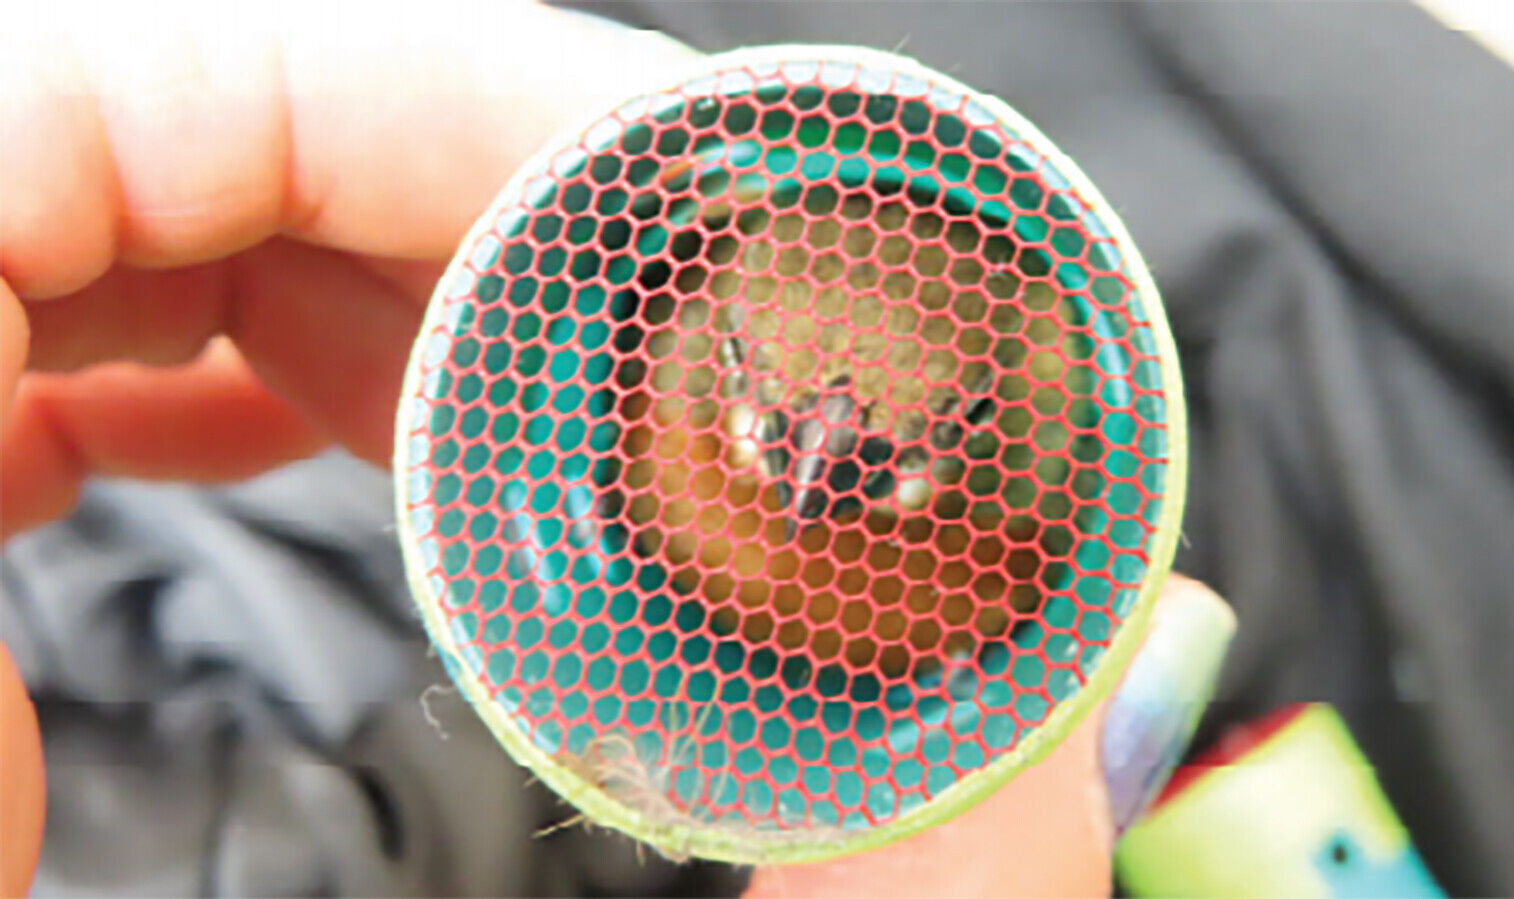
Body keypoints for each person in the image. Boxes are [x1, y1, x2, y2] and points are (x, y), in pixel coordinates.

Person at [0, 1, 1237, 895]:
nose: (813, 473)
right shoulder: (640, 405)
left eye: (878, 462)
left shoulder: (1031, 429)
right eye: (774, 424)